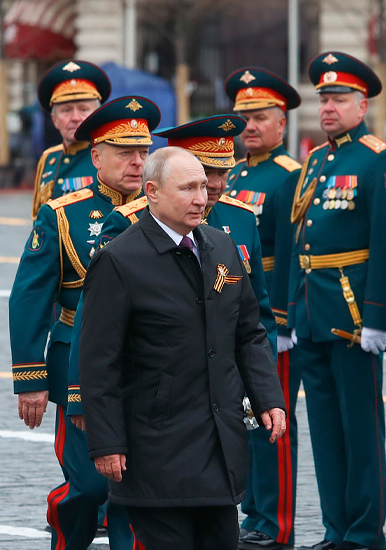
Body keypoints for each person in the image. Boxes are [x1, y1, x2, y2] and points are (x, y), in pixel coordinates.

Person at [79, 147, 287, 550]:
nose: (201, 197)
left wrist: (267, 397)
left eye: (204, 187)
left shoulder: (221, 247)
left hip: (219, 443)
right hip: (157, 447)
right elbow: (98, 362)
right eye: (188, 188)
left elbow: (249, 332)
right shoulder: (120, 260)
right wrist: (106, 444)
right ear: (152, 192)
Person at [9, 95, 159, 550]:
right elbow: (30, 296)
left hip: (150, 363)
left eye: (142, 153)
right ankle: (66, 533)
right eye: (124, 153)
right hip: (79, 364)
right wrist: (30, 377)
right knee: (90, 486)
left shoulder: (166, 208)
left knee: (135, 488)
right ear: (96, 156)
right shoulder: (62, 213)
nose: (137, 163)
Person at [66, 114, 278, 421]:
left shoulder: (242, 218)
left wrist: (260, 390)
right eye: (207, 173)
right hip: (161, 396)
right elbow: (95, 319)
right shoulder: (129, 220)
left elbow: (257, 315)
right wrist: (80, 395)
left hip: (229, 391)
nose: (216, 185)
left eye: (224, 172)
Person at [289, 51, 386, 550]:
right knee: (326, 431)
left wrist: (379, 318)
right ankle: (335, 529)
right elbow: (303, 241)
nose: (329, 107)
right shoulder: (317, 159)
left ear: (363, 105)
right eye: (324, 99)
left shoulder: (379, 159)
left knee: (360, 432)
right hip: (314, 312)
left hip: (353, 315)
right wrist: (294, 312)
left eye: (339, 99)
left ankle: (363, 533)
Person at [224, 67, 303, 550]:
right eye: (242, 118)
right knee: (244, 418)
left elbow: (295, 254)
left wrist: (286, 318)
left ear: (282, 123)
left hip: (269, 317)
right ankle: (252, 511)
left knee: (272, 419)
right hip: (232, 311)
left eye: (259, 118)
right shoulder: (232, 174)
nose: (249, 127)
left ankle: (277, 523)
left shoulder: (290, 177)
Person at [31, 59, 111, 218]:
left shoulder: (111, 155)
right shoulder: (49, 159)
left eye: (83, 109)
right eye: (66, 110)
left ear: (97, 115)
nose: (75, 117)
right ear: (54, 120)